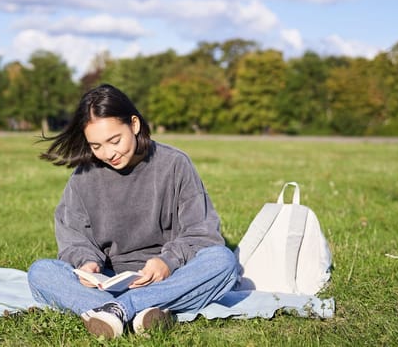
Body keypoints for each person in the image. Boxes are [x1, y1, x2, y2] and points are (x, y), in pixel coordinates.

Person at [27, 84, 239, 339]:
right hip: (108, 282)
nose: (108, 153)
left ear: (135, 124)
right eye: (96, 146)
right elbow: (73, 236)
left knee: (223, 262)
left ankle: (117, 310)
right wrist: (87, 263)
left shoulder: (175, 164)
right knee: (41, 272)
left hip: (169, 276)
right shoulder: (83, 176)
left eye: (114, 140)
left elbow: (203, 233)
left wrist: (167, 262)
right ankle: (145, 310)